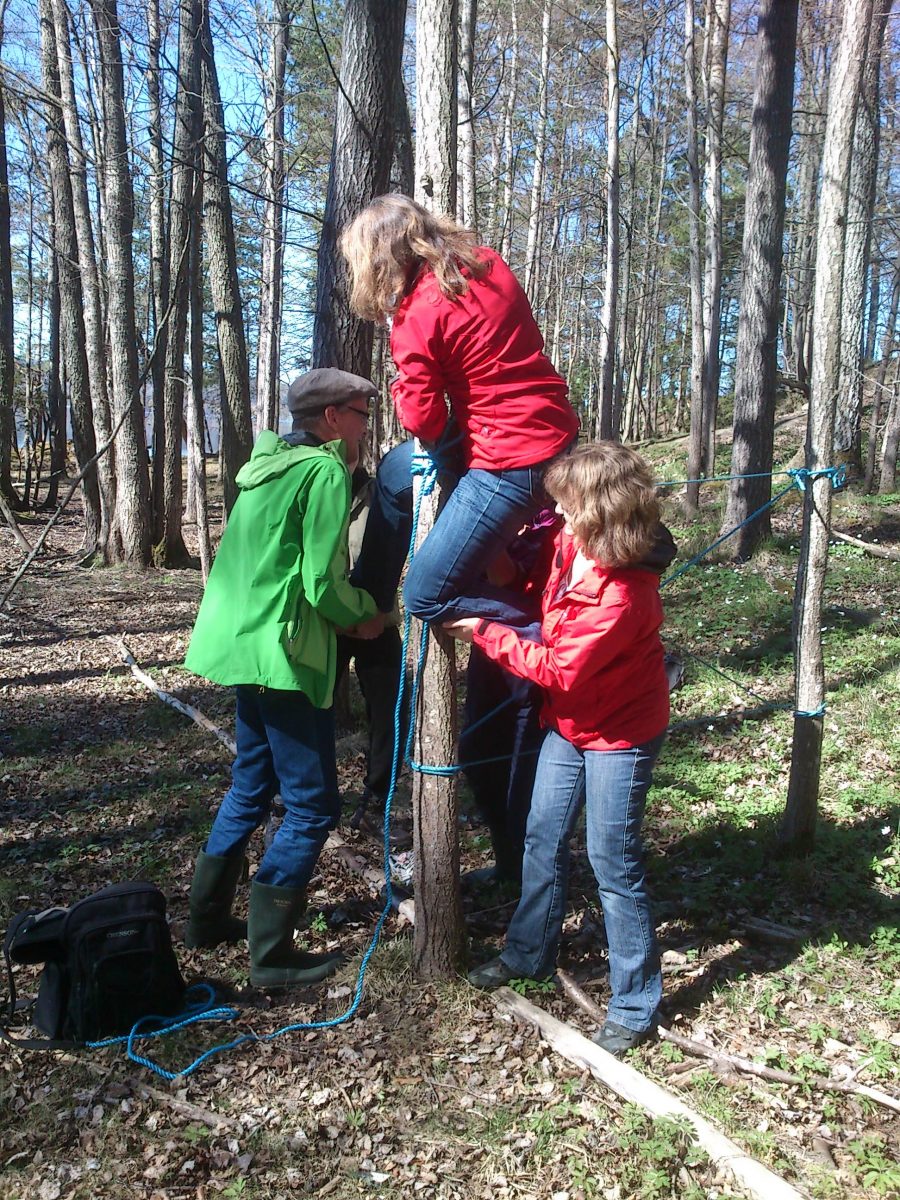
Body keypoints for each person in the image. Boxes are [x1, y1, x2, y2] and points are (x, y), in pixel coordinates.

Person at [444, 442, 670, 1056]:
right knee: (541, 834)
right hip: (569, 723)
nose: (559, 514)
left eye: (568, 504)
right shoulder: (573, 543)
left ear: (600, 509)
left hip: (620, 734)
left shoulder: (625, 594)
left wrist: (484, 632)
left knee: (612, 861)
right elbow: (542, 601)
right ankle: (528, 953)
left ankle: (634, 1003)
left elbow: (558, 668)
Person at [183, 368, 384, 990]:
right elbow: (322, 583)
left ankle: (204, 921)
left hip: (242, 647)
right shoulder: (324, 471)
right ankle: (269, 954)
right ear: (332, 418)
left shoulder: (264, 467)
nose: (365, 428)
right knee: (313, 806)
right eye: (361, 415)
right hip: (284, 657)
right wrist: (367, 615)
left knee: (250, 786)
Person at [340, 194, 579, 626]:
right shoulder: (487, 263)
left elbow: (423, 421)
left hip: (511, 461)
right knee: (396, 469)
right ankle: (373, 598)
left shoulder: (416, 315)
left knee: (425, 595)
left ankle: (555, 636)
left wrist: (402, 374)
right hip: (554, 427)